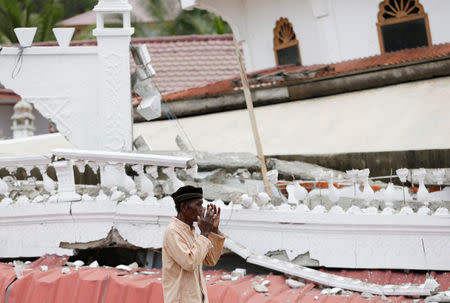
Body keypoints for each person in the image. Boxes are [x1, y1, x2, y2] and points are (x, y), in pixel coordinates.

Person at [162, 185, 224, 303]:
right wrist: (205, 233)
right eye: (199, 204)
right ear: (184, 207)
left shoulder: (193, 233)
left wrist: (213, 230)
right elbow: (189, 262)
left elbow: (211, 260)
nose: (202, 209)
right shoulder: (173, 231)